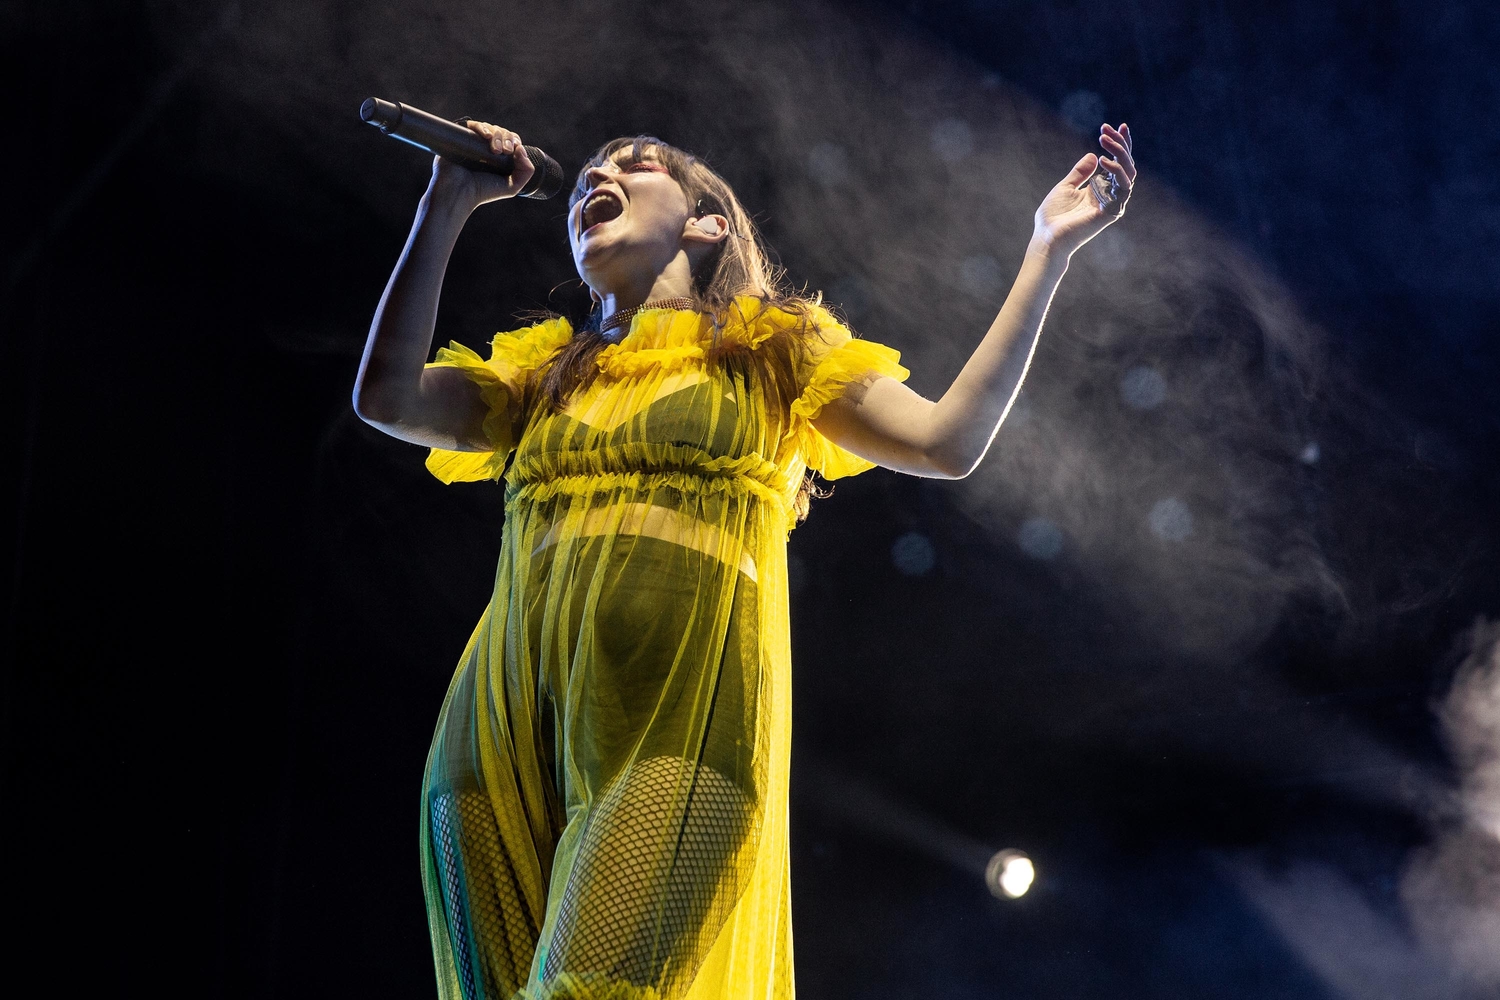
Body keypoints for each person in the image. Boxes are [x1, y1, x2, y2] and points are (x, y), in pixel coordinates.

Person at [354, 119, 1135, 1000]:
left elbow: (947, 441)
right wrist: (447, 199)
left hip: (686, 725)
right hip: (496, 729)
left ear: (707, 223)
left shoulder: (772, 356)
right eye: (588, 177)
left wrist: (1048, 248)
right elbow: (385, 393)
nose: (595, 178)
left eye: (636, 165)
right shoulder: (541, 379)